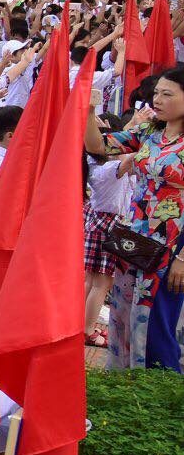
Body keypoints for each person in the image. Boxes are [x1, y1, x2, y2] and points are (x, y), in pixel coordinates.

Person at [87, 64, 184, 372]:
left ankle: (159, 397)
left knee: (156, 322)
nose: (157, 100)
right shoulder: (149, 131)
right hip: (132, 238)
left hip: (171, 245)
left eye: (167, 94)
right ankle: (123, 386)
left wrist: (183, 259)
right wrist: (88, 112)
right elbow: (98, 145)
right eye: (156, 93)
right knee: (123, 313)